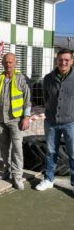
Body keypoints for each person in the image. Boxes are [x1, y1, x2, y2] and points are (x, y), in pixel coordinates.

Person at [0, 53, 31, 190]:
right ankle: (7, 170)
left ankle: (17, 176)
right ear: (2, 63)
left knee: (17, 148)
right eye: (6, 62)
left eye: (11, 62)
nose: (8, 64)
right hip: (0, 119)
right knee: (4, 148)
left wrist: (26, 117)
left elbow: (27, 100)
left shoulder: (21, 79)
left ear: (15, 63)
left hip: (16, 120)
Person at [35, 49, 74, 192]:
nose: (63, 62)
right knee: (51, 152)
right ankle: (48, 179)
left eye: (66, 60)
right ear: (56, 60)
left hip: (71, 123)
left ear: (72, 61)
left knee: (73, 153)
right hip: (51, 122)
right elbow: (47, 99)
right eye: (60, 59)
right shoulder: (48, 78)